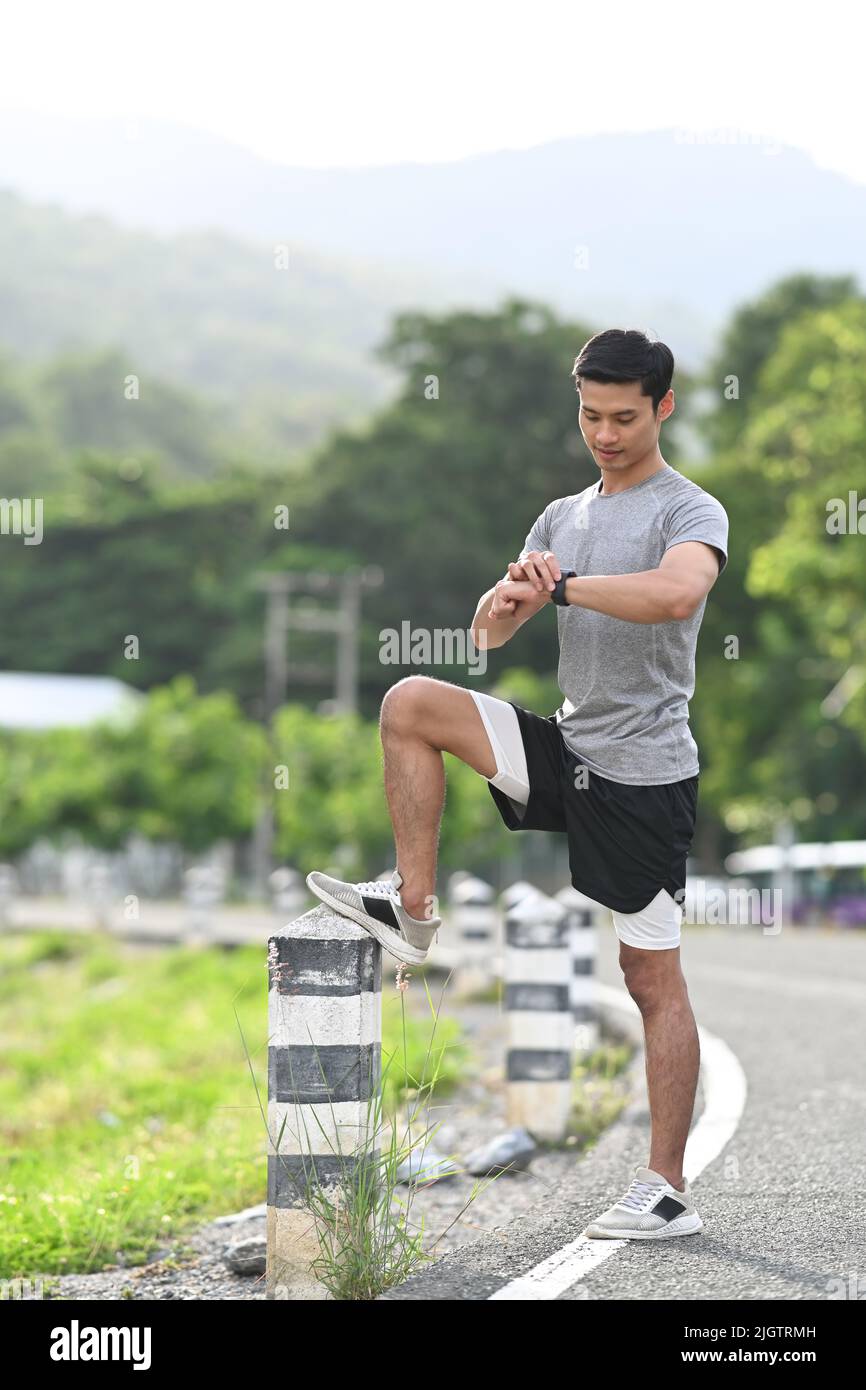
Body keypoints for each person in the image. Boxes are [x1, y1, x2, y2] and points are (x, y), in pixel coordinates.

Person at [308, 327, 728, 1240]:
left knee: (649, 978)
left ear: (662, 407)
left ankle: (665, 1188)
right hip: (565, 750)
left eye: (624, 417)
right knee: (412, 701)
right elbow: (488, 639)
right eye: (590, 415)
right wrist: (507, 604)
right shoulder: (561, 514)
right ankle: (412, 907)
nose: (605, 434)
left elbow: (675, 596)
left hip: (644, 777)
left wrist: (568, 590)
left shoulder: (690, 510)